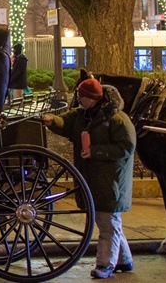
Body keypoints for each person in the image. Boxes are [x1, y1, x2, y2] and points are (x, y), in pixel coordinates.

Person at [42, 78, 136, 279]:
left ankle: (105, 265)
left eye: (81, 96)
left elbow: (126, 147)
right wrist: (52, 121)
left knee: (107, 223)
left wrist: (96, 152)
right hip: (94, 179)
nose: (78, 99)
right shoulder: (82, 115)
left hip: (111, 182)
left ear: (92, 98)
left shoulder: (119, 119)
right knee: (109, 222)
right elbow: (66, 123)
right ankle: (123, 260)